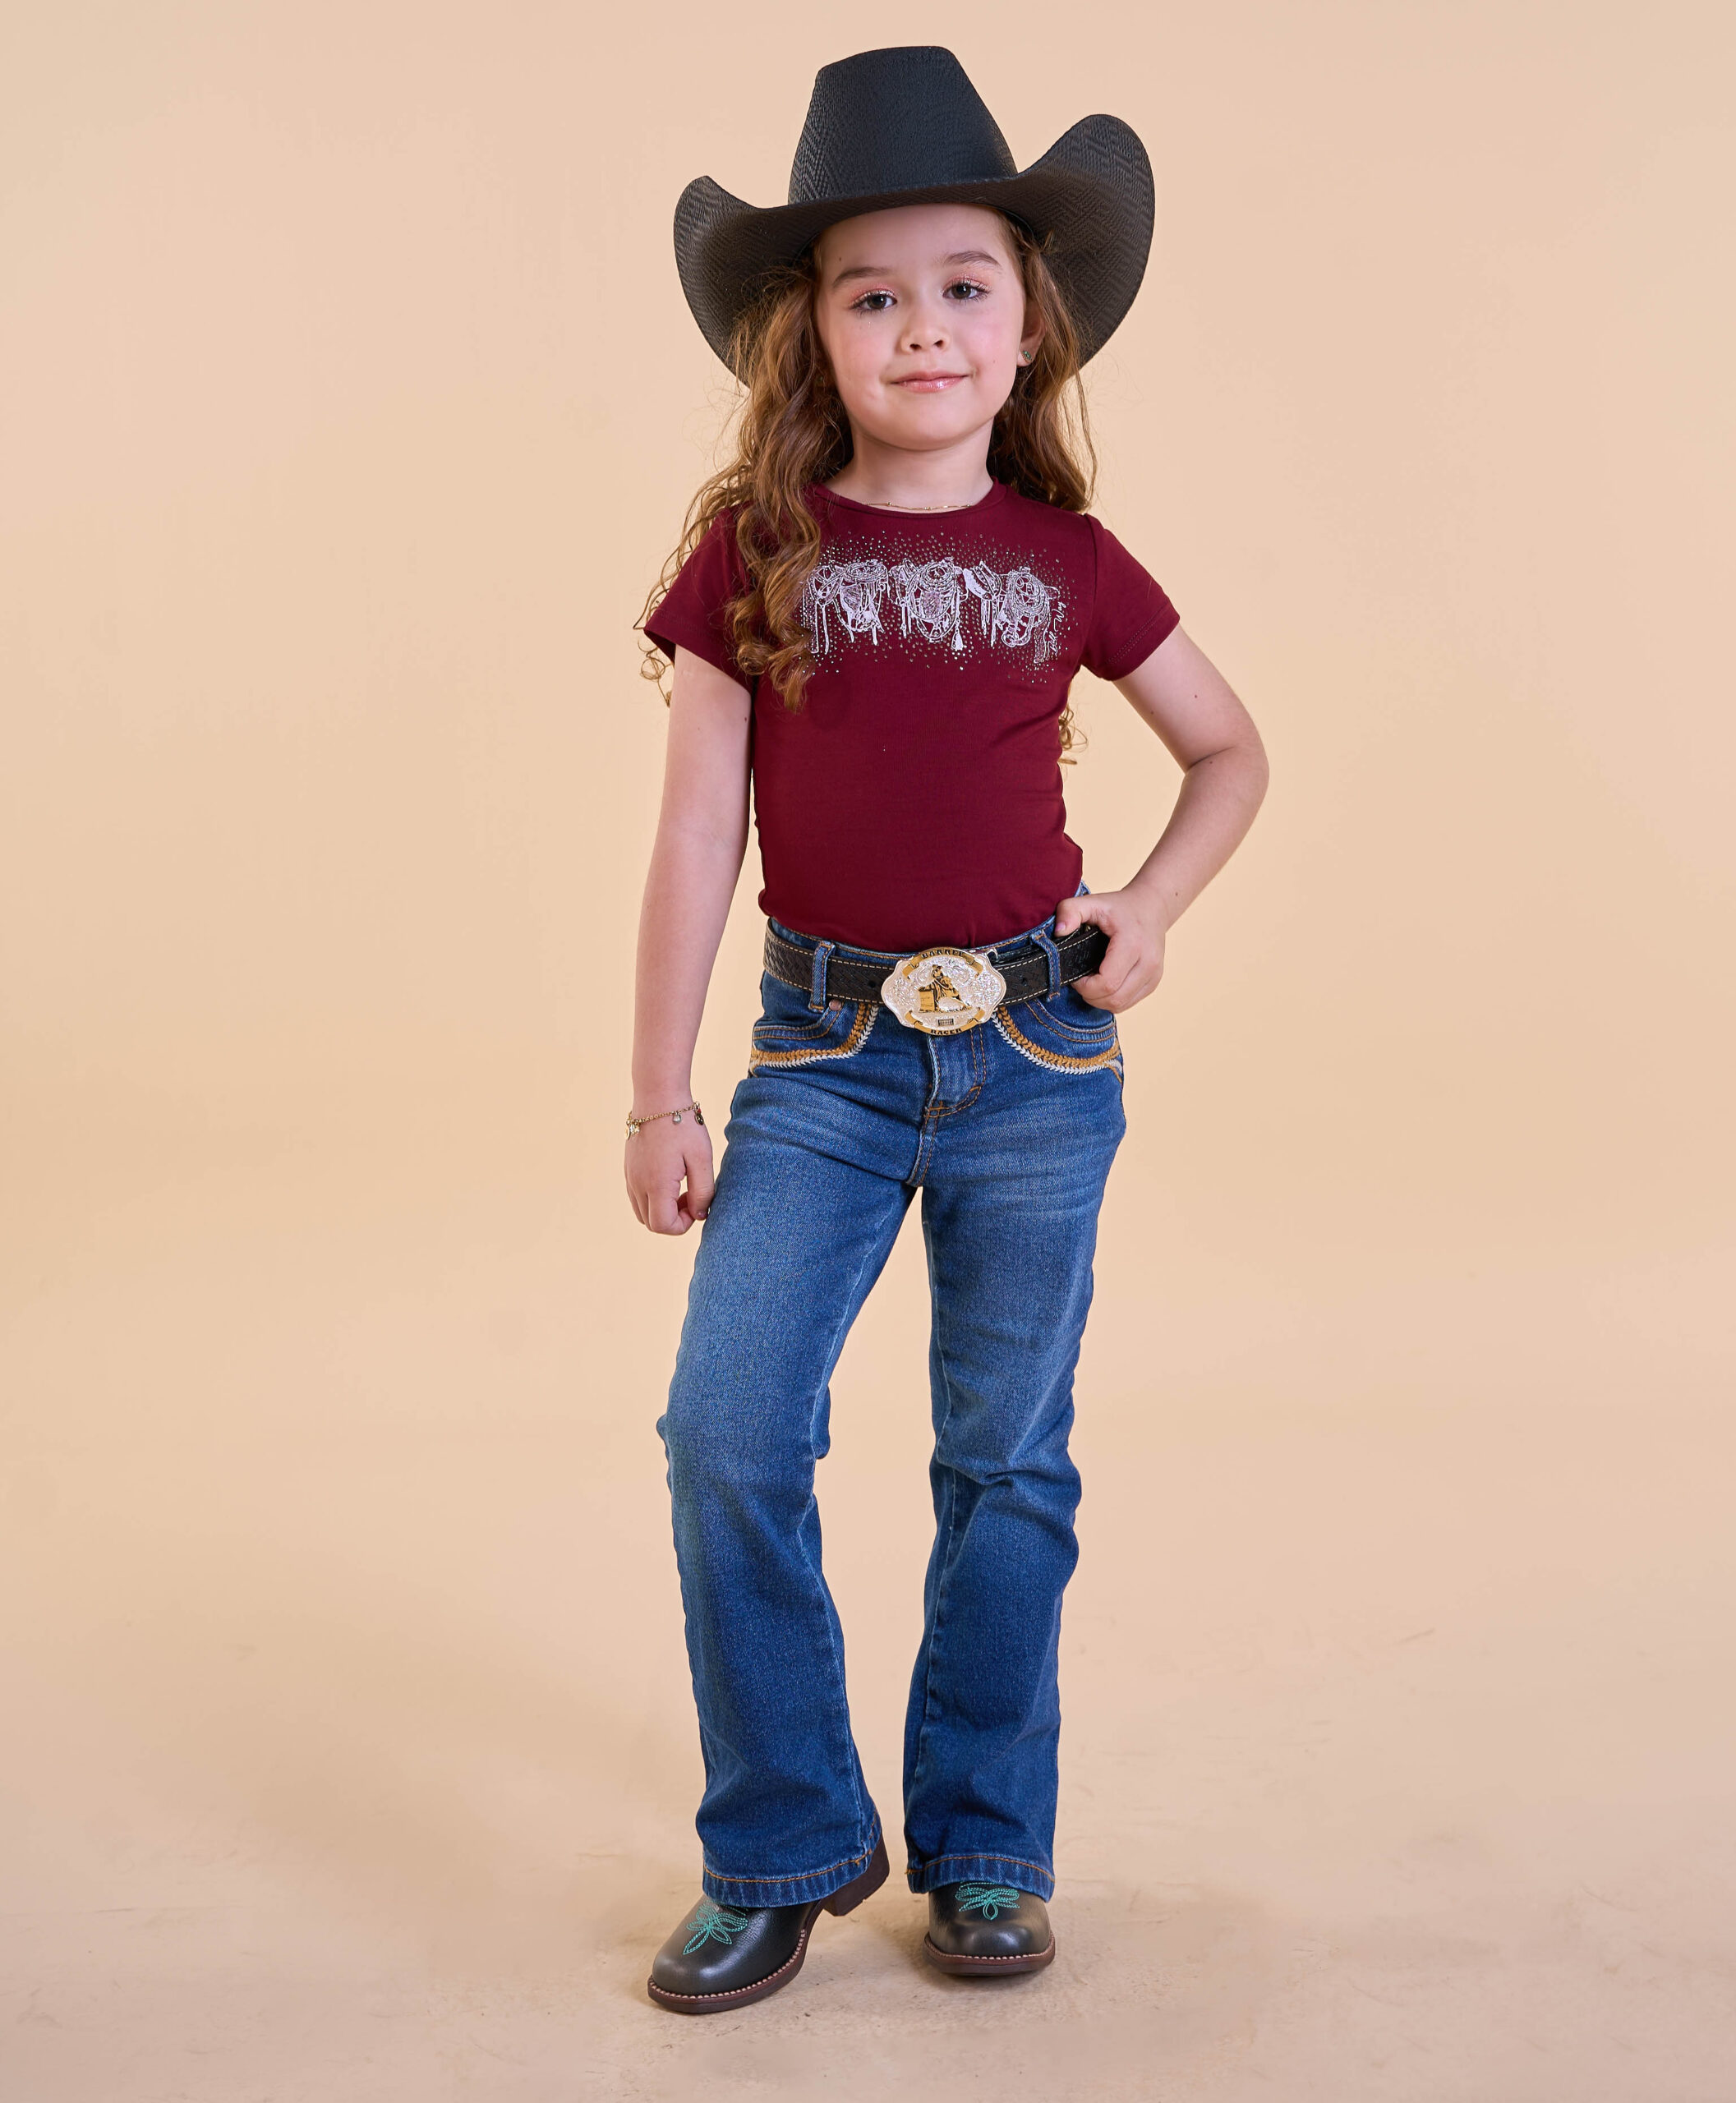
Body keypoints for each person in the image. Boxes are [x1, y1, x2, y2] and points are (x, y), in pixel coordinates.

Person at [626, 46, 1269, 2014]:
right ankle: (780, 1839)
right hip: (817, 1063)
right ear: (811, 336)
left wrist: (1144, 909)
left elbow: (1231, 751)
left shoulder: (1074, 563)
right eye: (872, 292)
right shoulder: (754, 556)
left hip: (1032, 1065)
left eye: (963, 285)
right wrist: (657, 1089)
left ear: (1030, 323)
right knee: (729, 1429)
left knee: (1006, 1458)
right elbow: (697, 831)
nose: (923, 325)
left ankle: (987, 1842)